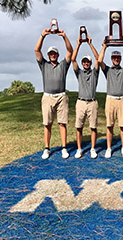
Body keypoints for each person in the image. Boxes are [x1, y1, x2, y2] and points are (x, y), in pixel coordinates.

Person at [35, 28, 73, 159]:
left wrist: (64, 36)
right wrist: (43, 36)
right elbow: (36, 50)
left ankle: (64, 148)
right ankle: (47, 148)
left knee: (62, 123)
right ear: (48, 55)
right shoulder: (44, 64)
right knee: (47, 124)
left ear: (57, 55)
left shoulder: (63, 65)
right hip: (47, 97)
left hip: (61, 96)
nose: (53, 55)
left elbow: (70, 51)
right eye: (50, 53)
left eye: (54, 54)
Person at [98, 40, 123, 158]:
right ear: (111, 58)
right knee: (109, 125)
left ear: (120, 58)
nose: (116, 59)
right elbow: (99, 61)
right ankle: (109, 148)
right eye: (114, 57)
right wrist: (104, 47)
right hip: (110, 99)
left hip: (122, 99)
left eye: (118, 57)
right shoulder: (108, 70)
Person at [71, 34, 100, 159]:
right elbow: (73, 60)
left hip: (92, 102)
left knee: (93, 127)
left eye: (88, 61)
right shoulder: (79, 73)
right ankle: (79, 149)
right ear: (82, 63)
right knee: (79, 127)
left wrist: (89, 43)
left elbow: (98, 59)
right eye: (84, 61)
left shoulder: (94, 73)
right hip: (81, 102)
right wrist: (78, 44)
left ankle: (93, 148)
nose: (86, 63)